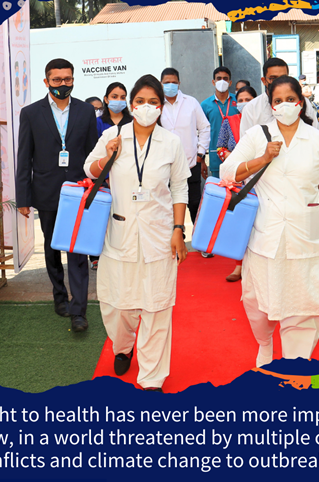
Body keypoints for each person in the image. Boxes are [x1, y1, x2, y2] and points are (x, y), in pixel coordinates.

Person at [220, 75, 319, 367]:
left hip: (307, 239)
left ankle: (294, 369)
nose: (285, 105)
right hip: (265, 238)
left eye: (290, 99)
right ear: (271, 106)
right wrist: (262, 159)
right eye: (278, 101)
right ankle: (265, 343)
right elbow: (227, 172)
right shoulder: (257, 135)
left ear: (300, 103)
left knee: (303, 309)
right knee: (257, 305)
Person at [84, 74, 190, 392]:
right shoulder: (113, 135)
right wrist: (108, 156)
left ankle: (152, 377)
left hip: (160, 234)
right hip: (120, 232)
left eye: (153, 102)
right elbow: (89, 169)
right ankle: (123, 346)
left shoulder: (171, 142)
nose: (146, 107)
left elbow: (180, 187)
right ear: (131, 105)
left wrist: (178, 229)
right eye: (140, 101)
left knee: (157, 306)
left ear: (161, 107)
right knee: (116, 305)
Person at [16, 58, 97, 332]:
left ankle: (79, 310)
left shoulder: (86, 111)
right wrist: (23, 198)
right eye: (57, 80)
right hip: (46, 193)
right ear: (46, 81)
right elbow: (24, 158)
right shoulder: (30, 113)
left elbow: (92, 154)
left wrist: (94, 187)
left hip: (78, 192)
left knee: (77, 252)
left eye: (67, 79)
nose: (63, 84)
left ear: (73, 79)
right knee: (52, 249)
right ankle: (59, 296)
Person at [89, 83, 133, 271]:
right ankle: (96, 256)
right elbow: (94, 154)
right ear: (106, 99)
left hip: (128, 178)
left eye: (123, 97)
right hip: (104, 180)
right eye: (114, 97)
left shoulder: (132, 122)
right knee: (101, 219)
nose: (118, 101)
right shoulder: (98, 123)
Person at [216, 84, 258, 282]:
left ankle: (257, 266)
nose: (244, 103)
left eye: (248, 100)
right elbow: (220, 147)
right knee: (239, 222)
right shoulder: (229, 121)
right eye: (240, 100)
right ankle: (239, 265)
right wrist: (233, 159)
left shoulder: (262, 123)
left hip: (260, 176)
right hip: (237, 178)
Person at [160, 67, 211, 225]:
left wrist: (200, 154)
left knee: (194, 204)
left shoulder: (191, 102)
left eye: (174, 82)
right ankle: (176, 237)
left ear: (179, 83)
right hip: (165, 165)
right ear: (161, 84)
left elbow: (204, 127)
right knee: (168, 207)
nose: (170, 85)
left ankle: (198, 238)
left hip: (190, 164)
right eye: (167, 82)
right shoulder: (157, 104)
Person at [201, 66, 239, 258]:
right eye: (218, 78)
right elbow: (201, 132)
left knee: (237, 200)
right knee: (215, 200)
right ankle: (209, 242)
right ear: (213, 81)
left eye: (225, 78)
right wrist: (202, 159)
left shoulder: (238, 102)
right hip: (216, 159)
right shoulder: (205, 105)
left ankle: (232, 240)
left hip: (239, 159)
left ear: (230, 82)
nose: (222, 81)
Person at [239, 58, 319, 139]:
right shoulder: (251, 108)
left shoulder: (302, 102)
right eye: (273, 78)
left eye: (283, 77)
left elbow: (316, 134)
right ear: (264, 81)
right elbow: (246, 142)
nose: (279, 82)